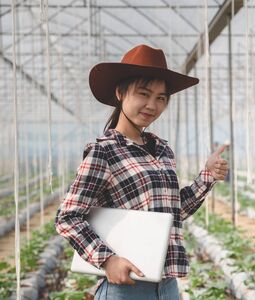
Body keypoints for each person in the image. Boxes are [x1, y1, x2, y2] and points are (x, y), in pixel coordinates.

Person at [54, 44, 229, 300]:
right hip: (126, 288)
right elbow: (67, 217)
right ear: (120, 92)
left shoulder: (162, 150)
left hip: (167, 286)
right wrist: (107, 260)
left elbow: (173, 212)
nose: (152, 105)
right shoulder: (105, 151)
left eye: (161, 98)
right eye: (143, 94)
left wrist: (208, 175)